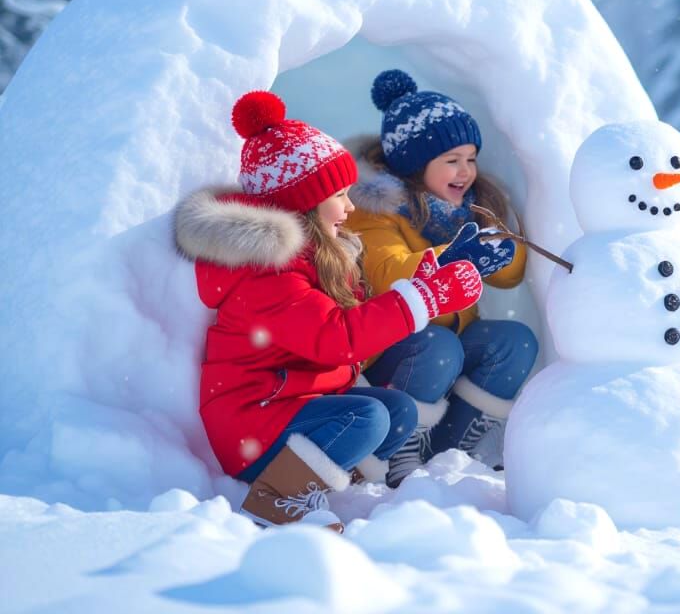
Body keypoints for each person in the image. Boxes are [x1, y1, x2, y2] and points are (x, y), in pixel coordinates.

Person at [175, 90, 483, 530]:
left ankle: (326, 482)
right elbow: (336, 337)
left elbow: (341, 327)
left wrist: (420, 286)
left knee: (396, 410)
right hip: (251, 425)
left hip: (289, 406)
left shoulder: (315, 256)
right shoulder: (269, 273)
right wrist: (422, 300)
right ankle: (278, 501)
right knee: (367, 416)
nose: (351, 206)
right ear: (305, 200)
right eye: (340, 194)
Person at [346, 69, 537, 485]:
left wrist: (496, 253)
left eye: (470, 158)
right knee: (440, 343)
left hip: (449, 344)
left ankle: (457, 447)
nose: (465, 171)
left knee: (513, 341)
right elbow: (386, 274)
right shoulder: (373, 208)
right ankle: (399, 448)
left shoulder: (470, 207)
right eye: (451, 160)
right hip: (399, 349)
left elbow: (511, 277)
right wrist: (456, 257)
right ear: (414, 165)